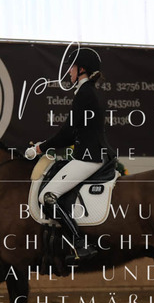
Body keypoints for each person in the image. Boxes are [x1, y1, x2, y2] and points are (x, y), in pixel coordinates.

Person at [25, 47, 115, 263]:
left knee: (48, 196)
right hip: (92, 153)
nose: (69, 72)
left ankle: (80, 244)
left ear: (82, 69)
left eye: (72, 68)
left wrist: (40, 148)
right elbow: (74, 133)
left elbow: (68, 133)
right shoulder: (90, 92)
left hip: (89, 157)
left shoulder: (85, 93)